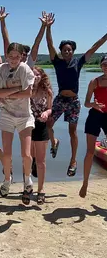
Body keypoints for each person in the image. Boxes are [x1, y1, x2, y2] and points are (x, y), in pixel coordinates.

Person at [46, 13, 107, 176]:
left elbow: (95, 46)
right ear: (61, 52)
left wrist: (105, 36)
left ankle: (73, 161)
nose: (67, 52)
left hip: (73, 101)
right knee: (48, 125)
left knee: (72, 131)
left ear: (73, 51)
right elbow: (49, 44)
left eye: (69, 49)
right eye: (64, 50)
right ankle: (54, 141)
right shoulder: (56, 62)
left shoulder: (78, 62)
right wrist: (48, 27)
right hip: (60, 99)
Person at [0, 42, 35, 204]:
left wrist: (8, 94)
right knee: (7, 153)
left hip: (24, 115)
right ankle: (7, 179)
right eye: (11, 56)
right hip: (6, 114)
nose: (13, 59)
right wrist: (17, 90)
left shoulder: (25, 69)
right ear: (6, 56)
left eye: (17, 57)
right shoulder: (1, 69)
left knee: (26, 153)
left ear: (21, 57)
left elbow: (29, 93)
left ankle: (27, 178)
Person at [79, 56, 107, 198]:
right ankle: (85, 182)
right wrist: (94, 105)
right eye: (104, 64)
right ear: (101, 66)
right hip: (95, 115)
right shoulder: (94, 82)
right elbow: (86, 103)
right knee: (90, 152)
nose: (106, 67)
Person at [30, 67, 53, 204]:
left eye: (37, 74)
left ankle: (41, 190)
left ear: (41, 76)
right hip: (27, 125)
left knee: (41, 160)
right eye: (32, 75)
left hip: (41, 125)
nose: (35, 77)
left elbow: (50, 108)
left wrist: (46, 113)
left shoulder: (47, 91)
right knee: (28, 157)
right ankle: (28, 186)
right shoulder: (26, 89)